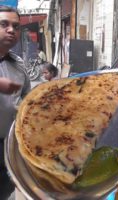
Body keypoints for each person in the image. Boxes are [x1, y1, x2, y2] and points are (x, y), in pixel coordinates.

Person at [0, 5, 31, 199]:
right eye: (4, 24)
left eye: (16, 26)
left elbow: (27, 99)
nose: (11, 29)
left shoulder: (18, 65)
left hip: (7, 147)